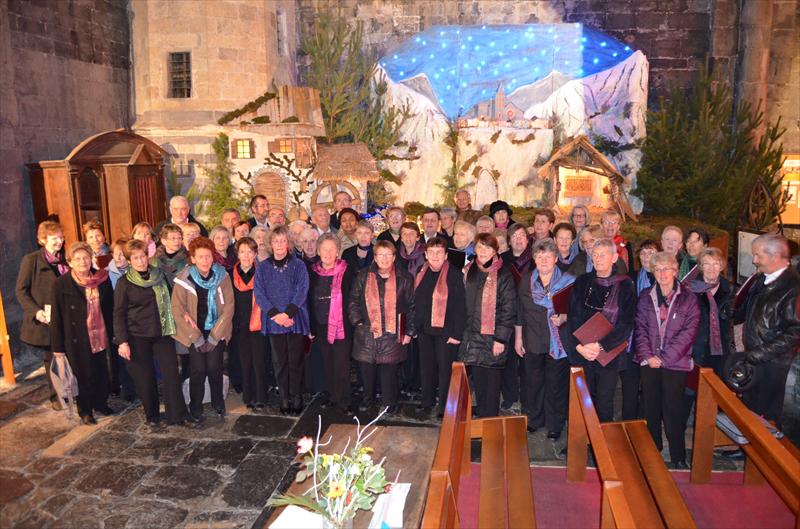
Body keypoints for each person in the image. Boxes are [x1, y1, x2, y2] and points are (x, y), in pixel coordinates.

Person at [635, 251, 699, 469]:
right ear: (653, 272)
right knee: (650, 408)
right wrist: (648, 356)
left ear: (675, 271)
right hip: (649, 361)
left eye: (666, 269)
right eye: (657, 269)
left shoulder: (688, 298)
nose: (662, 273)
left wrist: (663, 358)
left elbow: (688, 334)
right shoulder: (645, 296)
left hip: (675, 363)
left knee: (673, 410)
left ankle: (678, 456)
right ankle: (653, 448)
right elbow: (640, 328)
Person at [114, 239, 188, 427]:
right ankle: (152, 416)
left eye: (143, 256)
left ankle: (176, 415)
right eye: (136, 258)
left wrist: (184, 314)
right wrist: (122, 341)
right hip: (137, 336)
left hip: (162, 332)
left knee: (171, 374)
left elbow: (172, 299)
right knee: (145, 378)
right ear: (129, 261)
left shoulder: (160, 275)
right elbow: (119, 313)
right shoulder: (124, 282)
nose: (141, 261)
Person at [561, 238, 636, 422]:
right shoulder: (582, 281)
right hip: (583, 352)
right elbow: (573, 317)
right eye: (594, 255)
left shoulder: (626, 284)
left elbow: (625, 324)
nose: (598, 258)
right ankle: (581, 442)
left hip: (608, 355)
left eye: (603, 254)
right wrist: (579, 347)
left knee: (604, 403)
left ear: (614, 257)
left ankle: (602, 446)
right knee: (583, 401)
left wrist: (600, 346)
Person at [735, 233, 800, 426]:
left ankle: (760, 454)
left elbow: (795, 331)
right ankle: (745, 446)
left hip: (772, 363)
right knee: (749, 408)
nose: (754, 261)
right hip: (755, 358)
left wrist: (759, 353)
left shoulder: (793, 288)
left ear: (774, 256)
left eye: (758, 256)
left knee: (766, 415)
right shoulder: (761, 279)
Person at [515, 239, 575, 438]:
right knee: (534, 383)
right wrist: (518, 338)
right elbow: (520, 311)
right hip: (532, 338)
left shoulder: (569, 281)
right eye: (539, 256)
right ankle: (535, 419)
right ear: (534, 259)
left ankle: (555, 425)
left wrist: (565, 317)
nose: (543, 260)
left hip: (557, 341)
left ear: (556, 259)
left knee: (555, 386)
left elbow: (576, 312)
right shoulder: (526, 280)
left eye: (548, 256)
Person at [348, 240, 416, 414]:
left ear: (394, 257)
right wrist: (358, 322)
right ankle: (368, 399)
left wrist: (409, 331)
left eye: (388, 255)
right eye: (380, 255)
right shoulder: (363, 276)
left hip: (393, 333)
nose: (384, 259)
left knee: (389, 373)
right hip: (368, 333)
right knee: (367, 372)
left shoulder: (405, 278)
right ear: (375, 258)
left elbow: (412, 306)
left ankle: (389, 402)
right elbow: (353, 301)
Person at [50, 242, 114, 424]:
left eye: (85, 257)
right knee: (82, 374)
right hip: (76, 337)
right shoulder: (60, 284)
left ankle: (101, 403)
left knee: (101, 370)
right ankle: (85, 410)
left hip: (100, 333)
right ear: (70, 262)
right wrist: (58, 347)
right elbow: (56, 317)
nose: (82, 262)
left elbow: (110, 308)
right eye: (77, 259)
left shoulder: (102, 278)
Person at [172, 237, 234, 421]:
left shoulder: (222, 276)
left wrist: (215, 337)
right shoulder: (184, 279)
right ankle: (195, 405)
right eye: (200, 257)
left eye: (208, 256)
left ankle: (218, 402)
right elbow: (177, 308)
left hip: (217, 329)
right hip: (193, 332)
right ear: (193, 258)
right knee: (198, 369)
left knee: (215, 367)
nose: (205, 260)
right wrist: (196, 337)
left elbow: (229, 306)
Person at [254, 226, 311, 414]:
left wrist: (287, 314)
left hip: (294, 319)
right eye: (276, 241)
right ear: (270, 244)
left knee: (296, 361)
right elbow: (259, 293)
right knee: (279, 362)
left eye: (283, 240)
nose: (279, 245)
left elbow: (302, 290)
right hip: (273, 321)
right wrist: (275, 316)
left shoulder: (298, 265)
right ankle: (284, 397)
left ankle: (296, 396)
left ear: (289, 243)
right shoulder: (262, 267)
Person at [459, 233, 517, 418]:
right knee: (478, 376)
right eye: (480, 247)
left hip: (493, 336)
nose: (483, 251)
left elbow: (509, 310)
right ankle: (482, 409)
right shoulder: (469, 271)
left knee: (492, 380)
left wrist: (500, 338)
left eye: (487, 248)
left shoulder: (504, 274)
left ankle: (490, 416)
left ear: (495, 251)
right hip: (472, 334)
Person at [15, 220, 69, 409]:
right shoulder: (31, 260)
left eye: (61, 237)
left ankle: (71, 390)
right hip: (46, 318)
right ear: (42, 240)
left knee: (69, 354)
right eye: (54, 238)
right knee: (52, 358)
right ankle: (57, 396)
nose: (59, 242)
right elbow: (21, 290)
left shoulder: (65, 259)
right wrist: (36, 311)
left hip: (67, 316)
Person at [414, 237, 466, 417]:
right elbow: (417, 301)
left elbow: (461, 306)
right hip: (425, 330)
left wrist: (457, 333)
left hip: (447, 331)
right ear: (426, 254)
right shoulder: (422, 271)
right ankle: (427, 401)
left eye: (439, 252)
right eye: (431, 252)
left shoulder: (455, 274)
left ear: (445, 256)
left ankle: (445, 407)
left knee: (445, 371)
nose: (435, 256)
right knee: (426, 367)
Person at [308, 234, 355, 412]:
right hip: (320, 323)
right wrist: (311, 326)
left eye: (331, 249)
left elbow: (352, 297)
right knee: (327, 361)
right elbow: (308, 299)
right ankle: (332, 396)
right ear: (318, 251)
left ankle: (345, 398)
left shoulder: (347, 270)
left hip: (342, 325)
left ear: (337, 251)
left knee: (341, 363)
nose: (328, 252)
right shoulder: (312, 272)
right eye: (324, 249)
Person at [230, 237, 268, 410]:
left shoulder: (262, 273)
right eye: (242, 251)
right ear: (237, 254)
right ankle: (248, 396)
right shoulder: (230, 274)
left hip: (258, 324)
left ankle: (261, 396)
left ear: (255, 254)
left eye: (250, 252)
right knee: (245, 361)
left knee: (259, 362)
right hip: (239, 325)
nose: (246, 256)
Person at [499, 222, 533, 410]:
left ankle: (527, 398)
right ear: (509, 241)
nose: (518, 239)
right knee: (508, 358)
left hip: (529, 316)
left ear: (527, 240)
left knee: (528, 359)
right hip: (508, 314)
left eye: (522, 236)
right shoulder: (502, 259)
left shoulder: (535, 260)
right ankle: (510, 395)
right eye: (514, 236)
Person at [687, 247, 734, 375]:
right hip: (696, 349)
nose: (711, 268)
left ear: (722, 266)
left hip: (721, 350)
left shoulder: (730, 290)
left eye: (716, 263)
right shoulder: (690, 290)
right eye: (707, 264)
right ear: (701, 267)